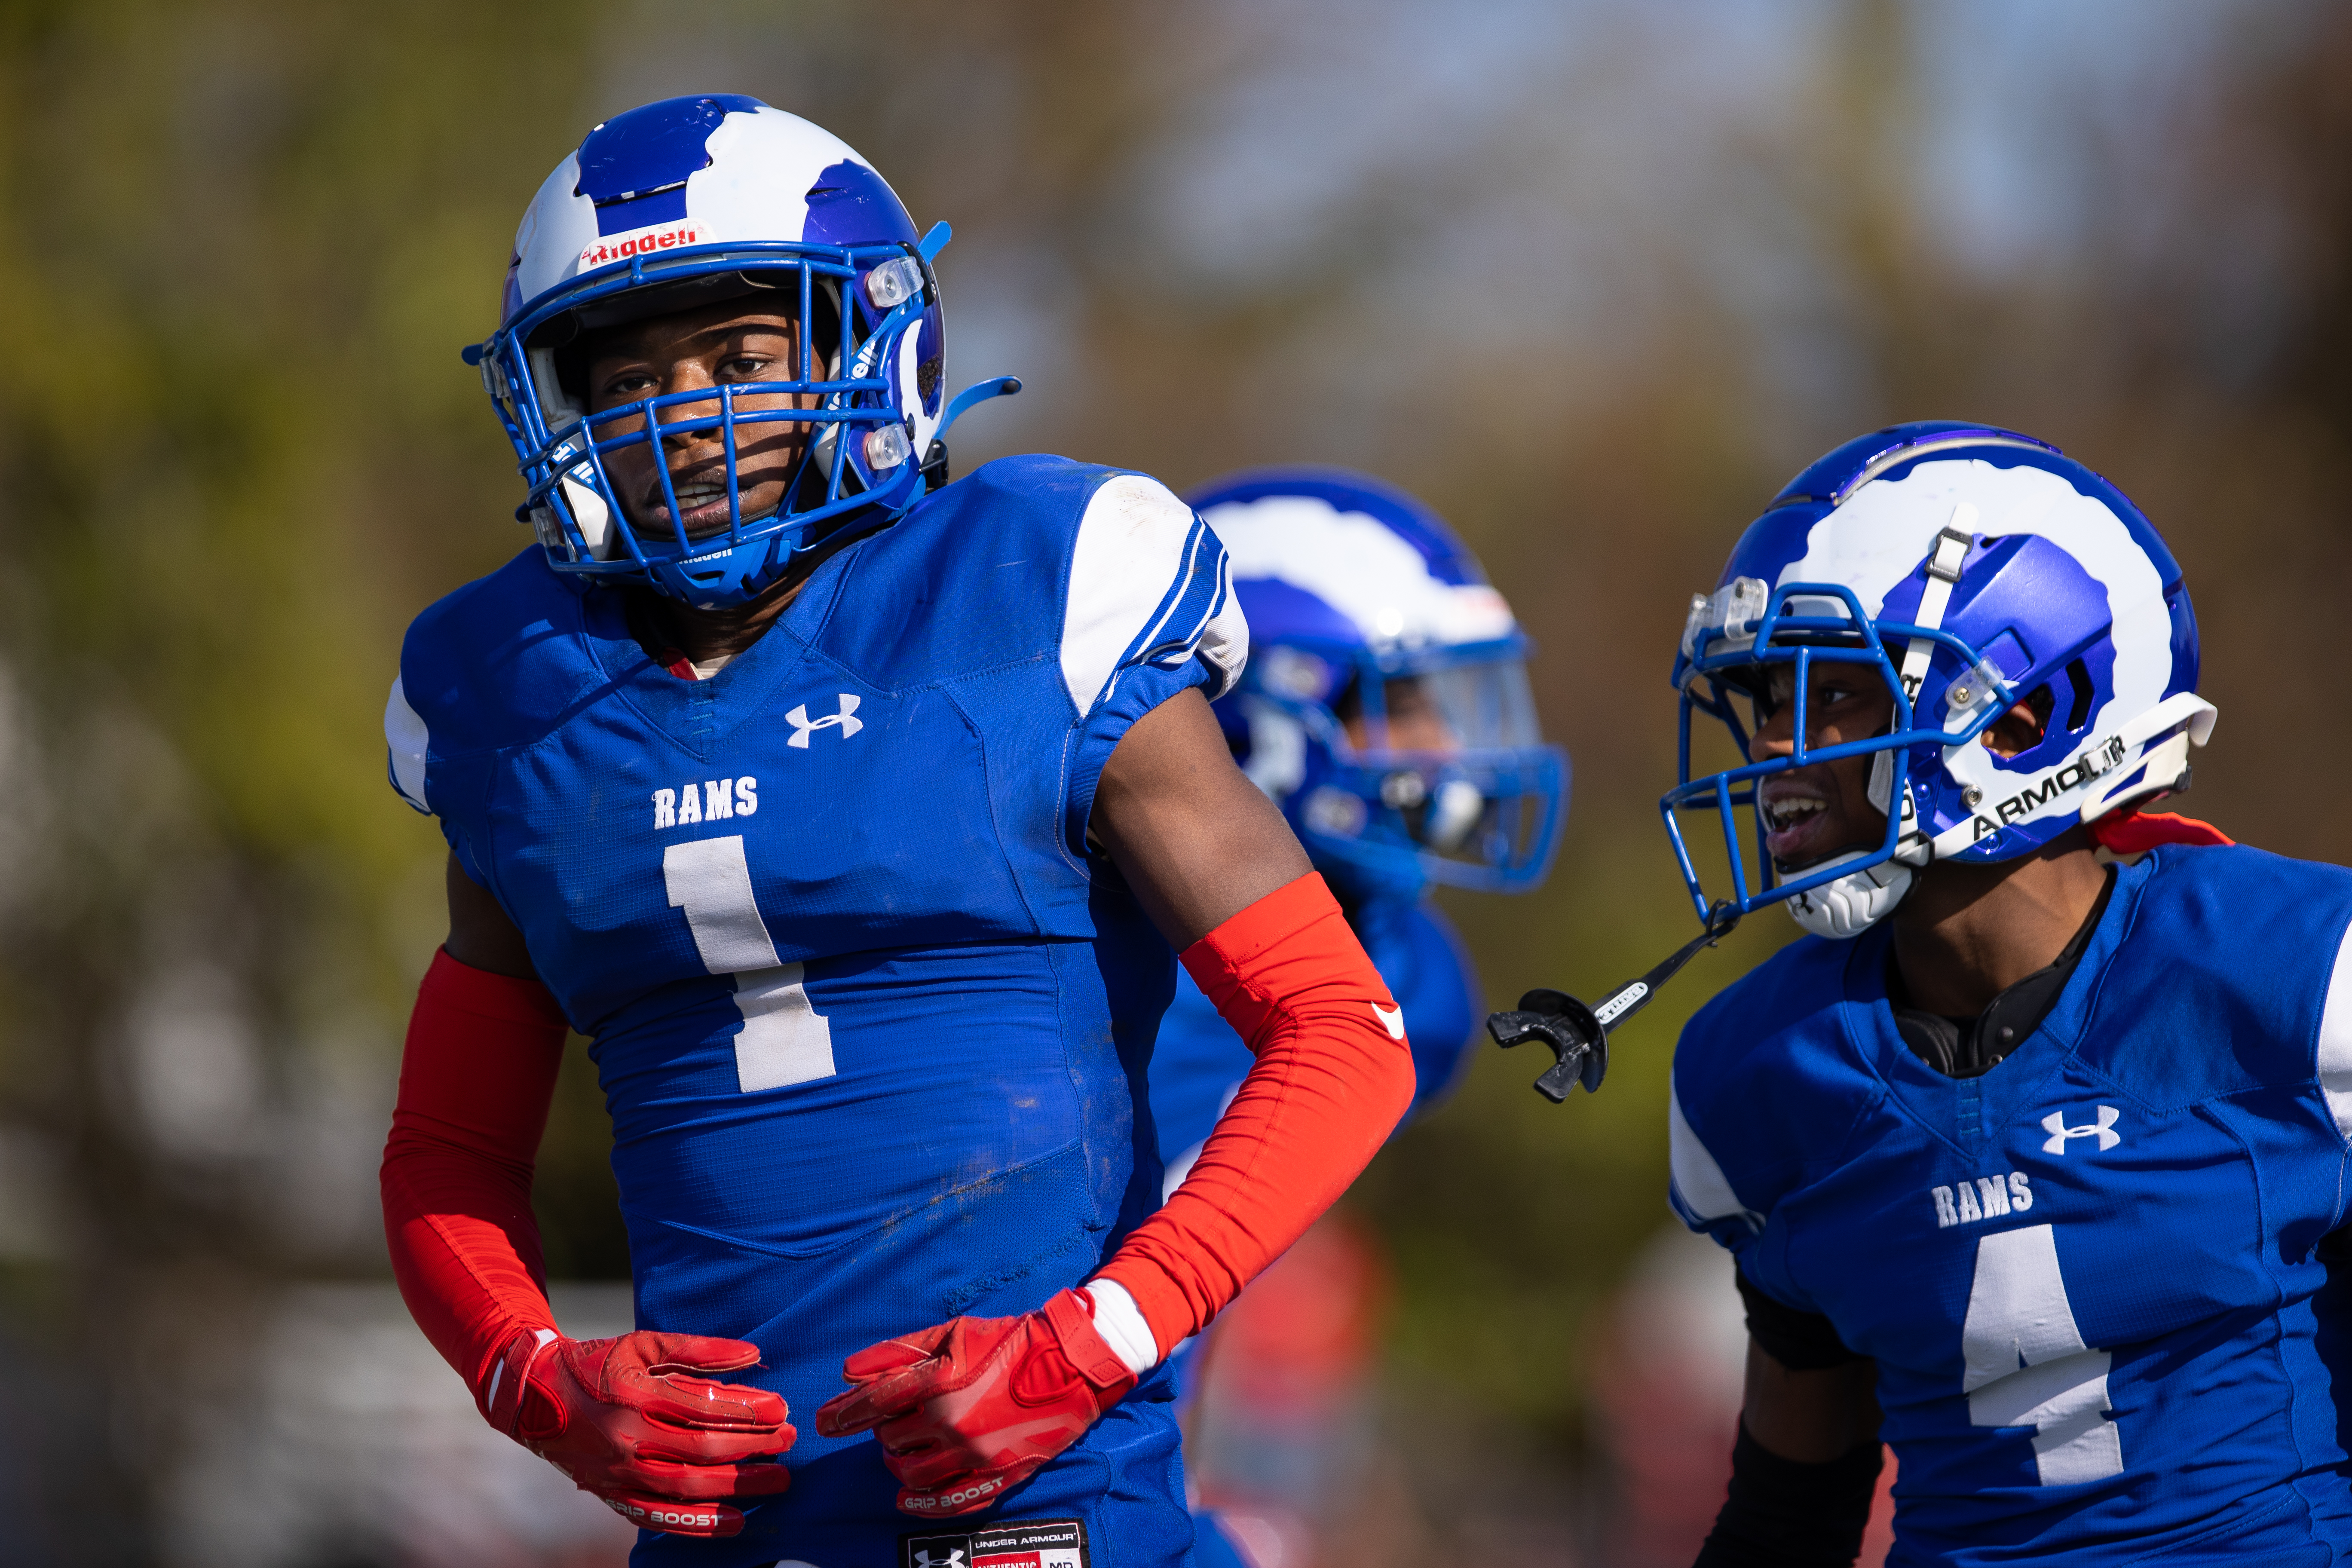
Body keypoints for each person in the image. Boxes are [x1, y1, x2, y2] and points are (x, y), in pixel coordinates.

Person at [376, 94, 1419, 1568]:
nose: (687, 414)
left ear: (867, 349)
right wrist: (537, 1379)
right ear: (557, 404)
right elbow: (445, 1148)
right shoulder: (508, 694)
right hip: (716, 1530)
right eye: (629, 374)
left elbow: (1341, 1026)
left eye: (742, 359)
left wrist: (1092, 1337)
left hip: (1038, 1507)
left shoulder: (1030, 589)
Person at [1657, 421, 2352, 1565]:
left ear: (2024, 715)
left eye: (1832, 692)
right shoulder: (1763, 1072)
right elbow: (1792, 1505)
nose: (1774, 745)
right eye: (1762, 699)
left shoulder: (2294, 974)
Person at [1144, 469, 1567, 1565]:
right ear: (1263, 715)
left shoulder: (1412, 977)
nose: (1446, 751)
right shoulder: (1097, 969)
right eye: (1408, 706)